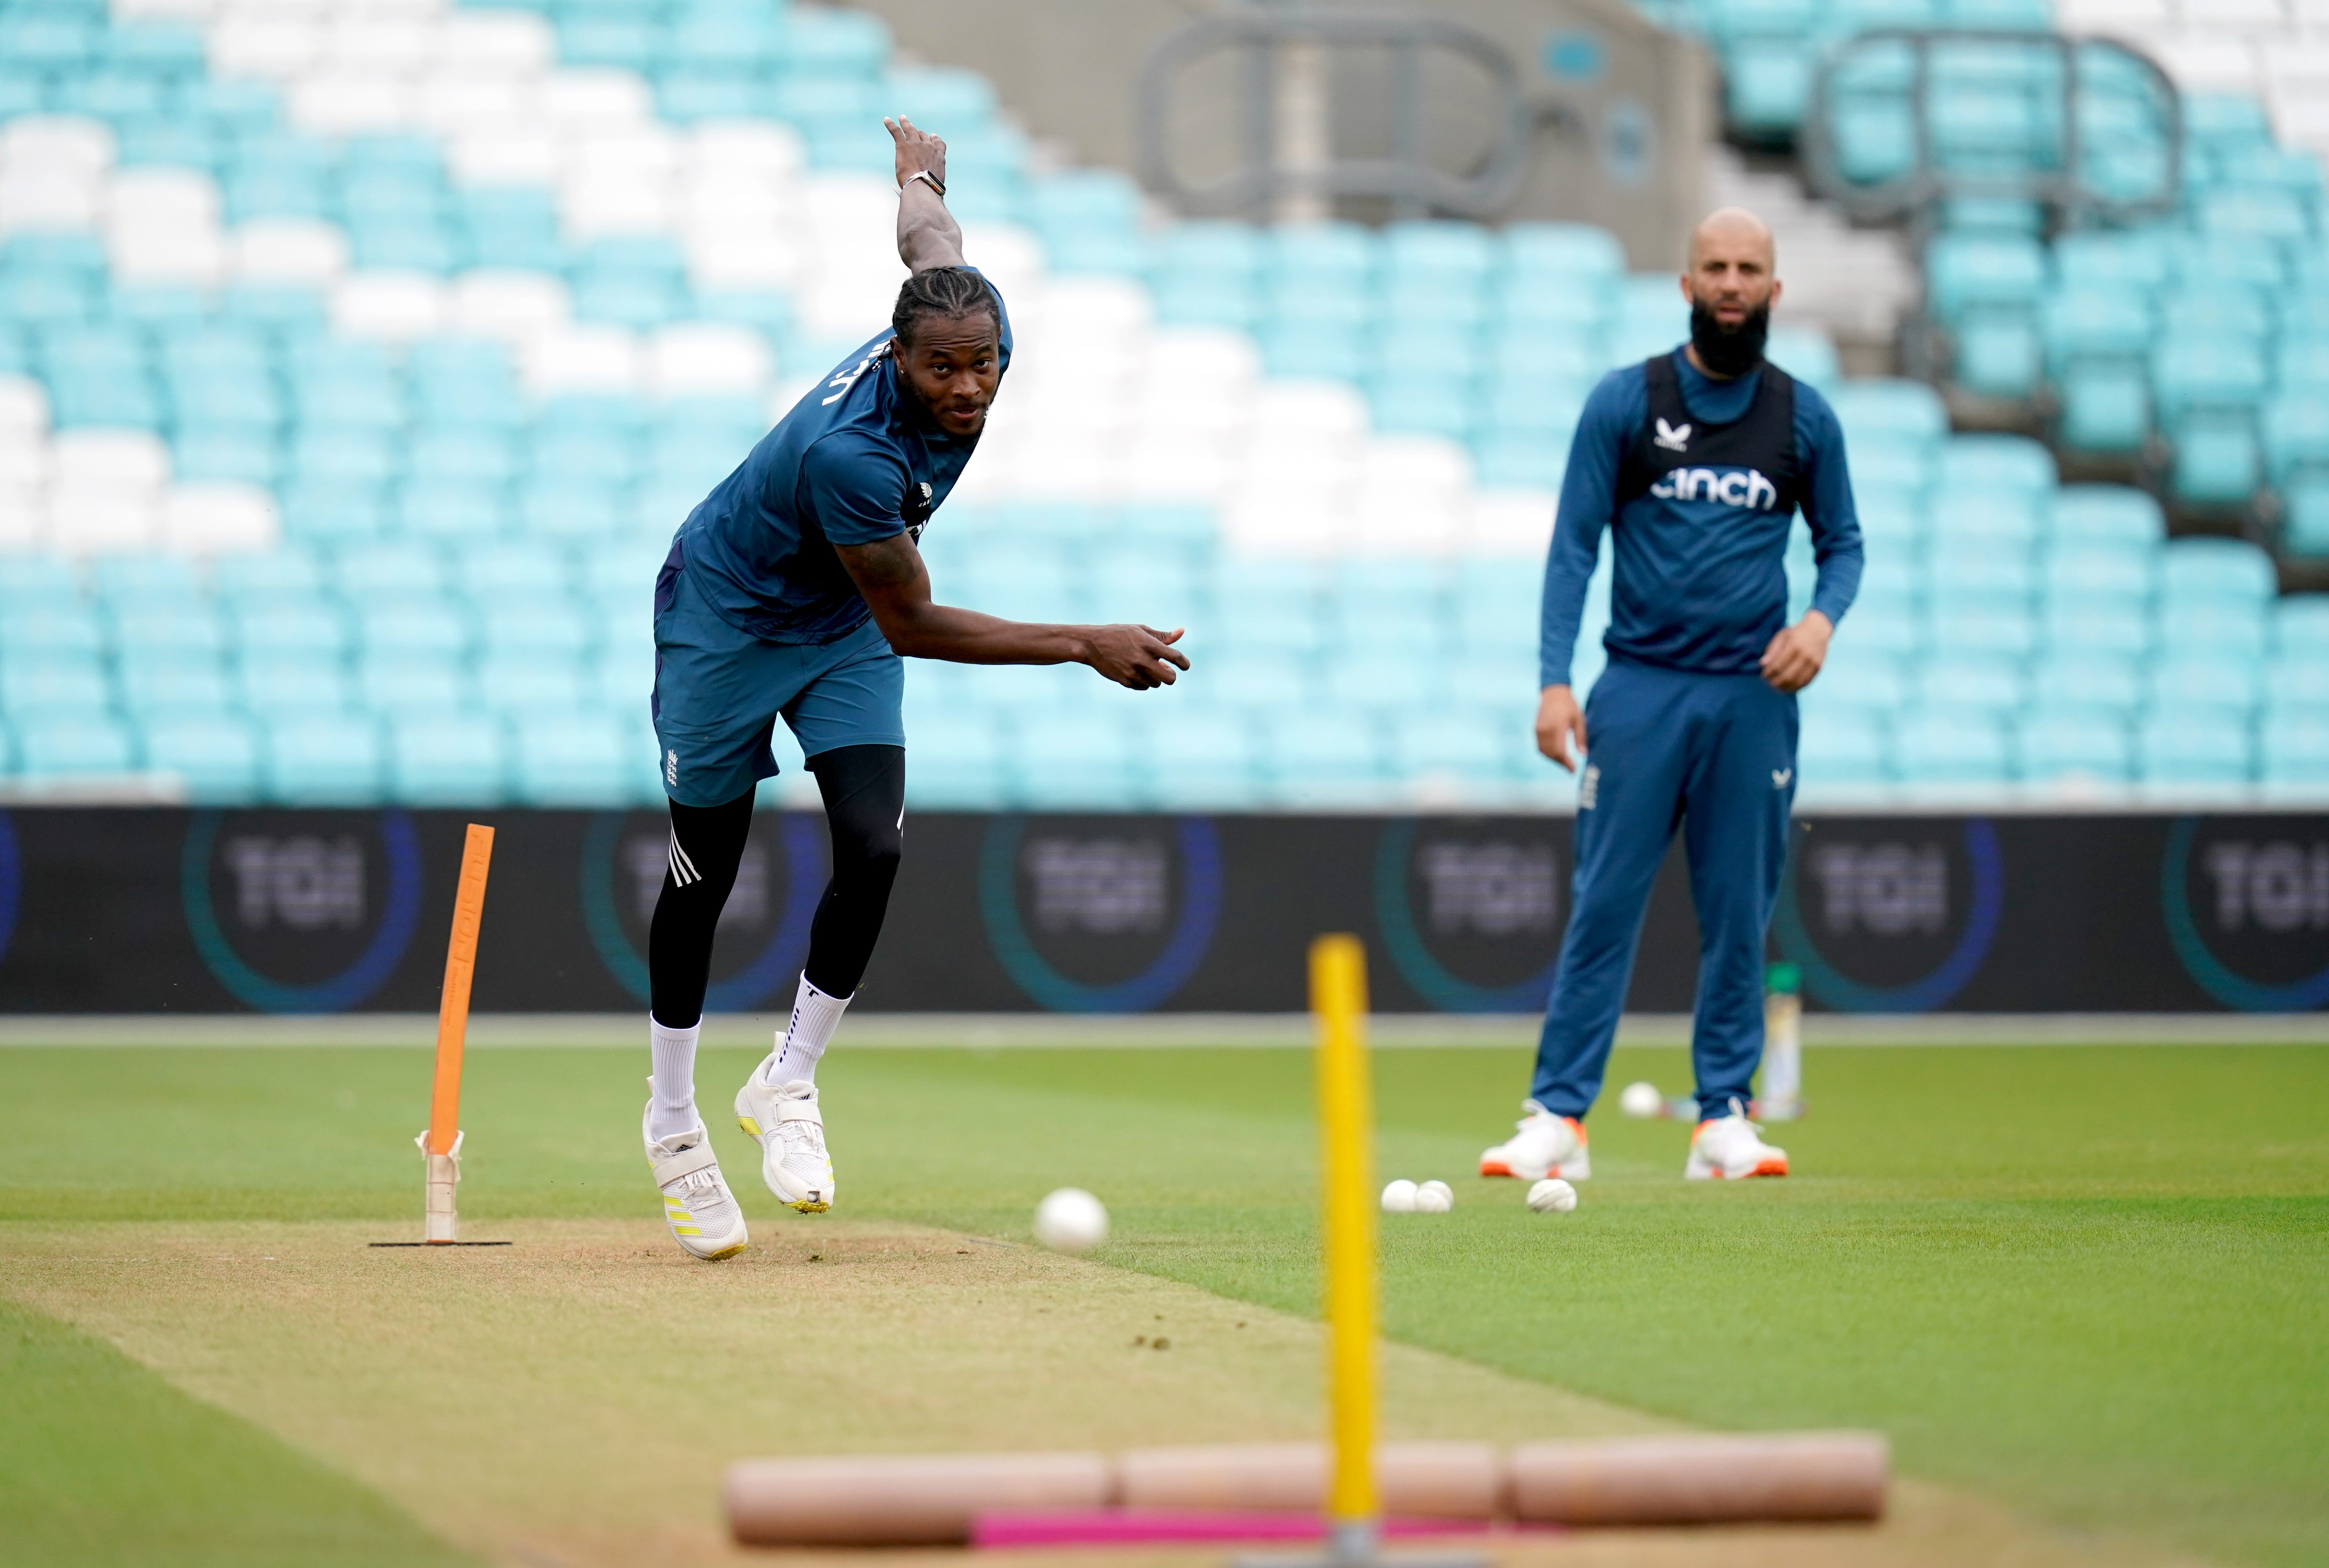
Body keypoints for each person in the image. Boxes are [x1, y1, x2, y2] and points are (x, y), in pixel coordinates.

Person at [640, 117, 1191, 1260]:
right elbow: (917, 622)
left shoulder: (966, 314)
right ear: (895, 361)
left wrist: (918, 175)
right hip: (730, 621)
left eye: (982, 361)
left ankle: (784, 1085)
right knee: (708, 876)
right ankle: (673, 1126)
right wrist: (1084, 640)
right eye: (941, 368)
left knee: (875, 849)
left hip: (838, 622)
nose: (969, 386)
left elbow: (931, 241)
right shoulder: (856, 456)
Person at [1478, 208, 1863, 1185]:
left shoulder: (1802, 417)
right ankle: (1558, 1114)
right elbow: (1572, 544)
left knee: (1737, 909)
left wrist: (1819, 622)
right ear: (1684, 286)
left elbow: (1843, 545)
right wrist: (1553, 679)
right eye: (1713, 268)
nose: (1731, 283)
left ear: (1773, 292)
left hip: (1751, 697)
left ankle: (1722, 1117)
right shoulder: (1627, 401)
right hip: (1639, 691)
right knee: (1602, 903)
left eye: (1748, 270)